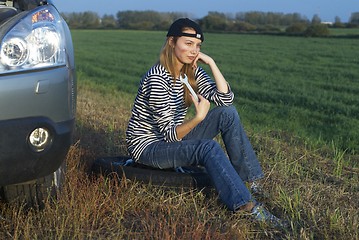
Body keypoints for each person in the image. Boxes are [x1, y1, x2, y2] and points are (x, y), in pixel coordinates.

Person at [126, 18, 286, 227]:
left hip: (171, 141)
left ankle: (250, 182)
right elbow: (170, 136)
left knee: (227, 113)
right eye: (188, 43)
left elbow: (225, 99)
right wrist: (198, 118)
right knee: (208, 148)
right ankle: (245, 206)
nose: (194, 50)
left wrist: (211, 63)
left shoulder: (190, 73)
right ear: (172, 42)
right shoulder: (157, 78)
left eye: (198, 46)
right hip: (149, 148)